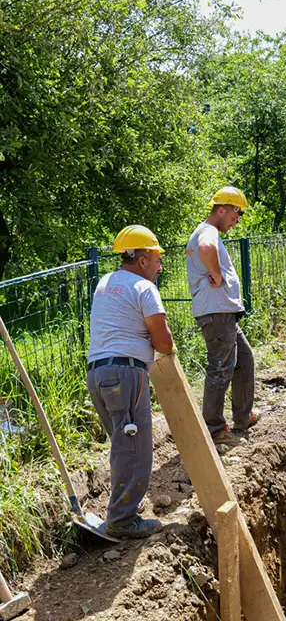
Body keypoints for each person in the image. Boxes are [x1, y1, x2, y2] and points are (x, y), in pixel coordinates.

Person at [87, 225, 173, 538]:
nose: (160, 266)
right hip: (125, 374)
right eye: (156, 259)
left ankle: (125, 510)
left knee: (125, 446)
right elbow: (163, 343)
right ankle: (122, 519)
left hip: (98, 374)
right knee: (135, 450)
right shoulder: (144, 288)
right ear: (141, 261)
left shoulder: (105, 284)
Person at [186, 186, 259, 446]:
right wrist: (217, 275)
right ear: (221, 210)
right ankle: (214, 428)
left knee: (244, 359)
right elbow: (207, 248)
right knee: (221, 368)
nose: (235, 222)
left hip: (222, 313)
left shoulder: (206, 231)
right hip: (216, 313)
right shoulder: (208, 233)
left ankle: (242, 415)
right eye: (234, 216)